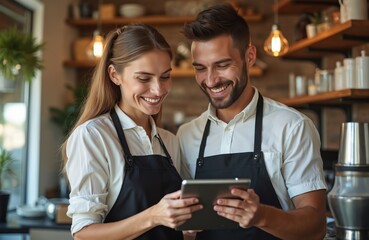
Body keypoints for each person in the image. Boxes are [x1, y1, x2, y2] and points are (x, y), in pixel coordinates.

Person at [177, 4, 327, 240]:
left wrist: (261, 216)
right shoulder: (186, 135)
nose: (210, 80)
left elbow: (316, 226)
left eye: (222, 65)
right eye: (200, 68)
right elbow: (187, 229)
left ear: (250, 57)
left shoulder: (292, 127)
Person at [63, 23, 202, 240]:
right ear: (114, 75)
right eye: (144, 78)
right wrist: (154, 216)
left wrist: (189, 227)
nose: (158, 90)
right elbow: (84, 233)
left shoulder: (170, 141)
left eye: (165, 76)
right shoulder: (93, 136)